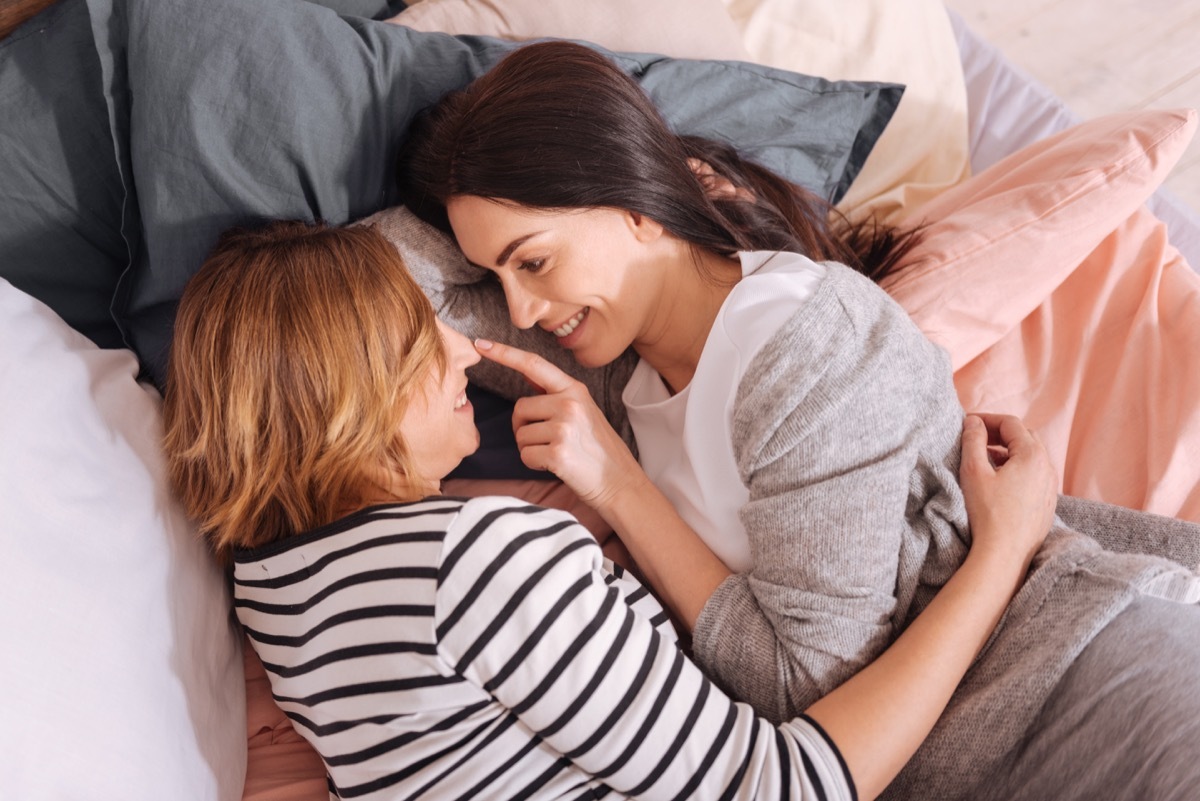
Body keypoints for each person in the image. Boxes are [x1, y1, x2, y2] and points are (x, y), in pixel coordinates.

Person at [391, 40, 1200, 801]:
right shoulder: (616, 374)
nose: (523, 309)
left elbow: (805, 686)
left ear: (635, 206)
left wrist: (619, 486)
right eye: (498, 271)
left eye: (534, 260)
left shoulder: (802, 341)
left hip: (1084, 670)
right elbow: (394, 284)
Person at [160, 219, 1056, 801]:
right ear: (343, 392)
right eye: (413, 335)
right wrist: (1000, 552)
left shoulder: (276, 588)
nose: (464, 350)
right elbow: (787, 787)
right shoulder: (478, 566)